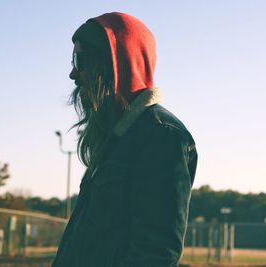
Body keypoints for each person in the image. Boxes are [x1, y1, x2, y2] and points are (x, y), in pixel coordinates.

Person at [52, 12, 198, 267]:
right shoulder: (118, 136)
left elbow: (155, 255)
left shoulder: (162, 137)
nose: (73, 74)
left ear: (115, 64)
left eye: (81, 59)